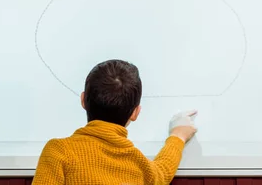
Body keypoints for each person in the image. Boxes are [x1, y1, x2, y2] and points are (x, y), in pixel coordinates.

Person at [32, 59, 197, 185]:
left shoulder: (58, 152)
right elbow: (163, 170)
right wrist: (178, 136)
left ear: (83, 100)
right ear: (135, 113)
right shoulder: (139, 164)